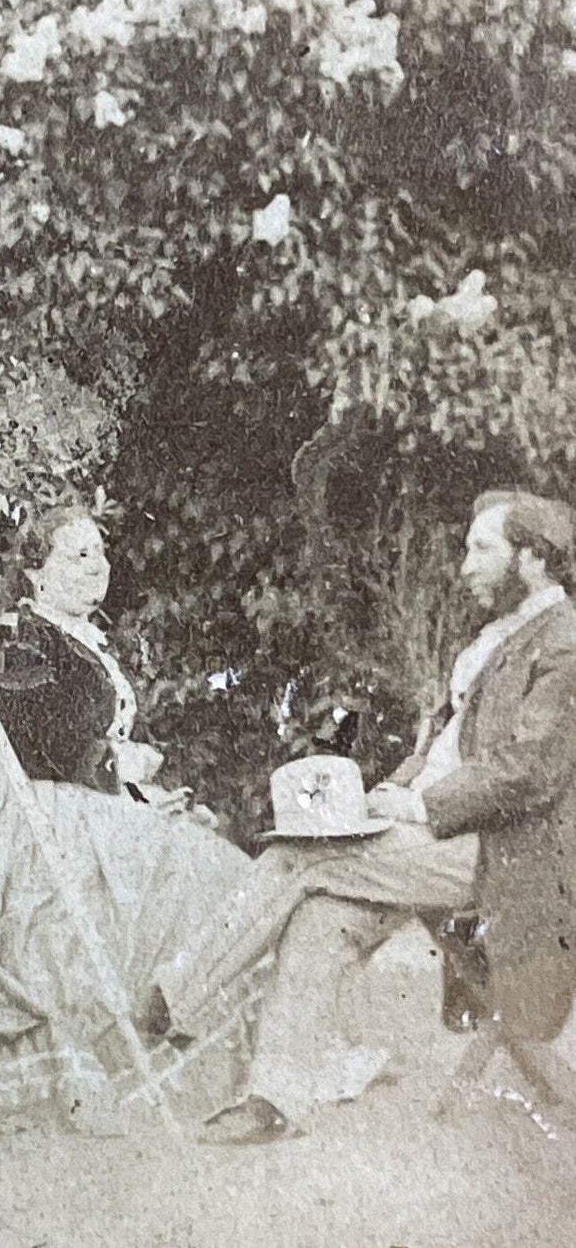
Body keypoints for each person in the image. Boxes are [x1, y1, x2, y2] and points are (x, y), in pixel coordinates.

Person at [163, 489, 576, 1144]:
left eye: (480, 549)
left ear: (531, 558)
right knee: (320, 911)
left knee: (302, 853)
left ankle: (167, 1003)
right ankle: (274, 1098)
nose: (463, 564)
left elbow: (530, 771)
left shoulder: (564, 641)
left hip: (505, 856)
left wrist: (416, 806)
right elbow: (438, 750)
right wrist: (386, 795)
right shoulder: (496, 637)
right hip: (437, 835)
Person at [0, 505, 253, 1131]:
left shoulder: (83, 638)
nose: (97, 566)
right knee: (198, 871)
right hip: (40, 809)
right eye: (77, 555)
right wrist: (113, 764)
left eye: (100, 553)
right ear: (35, 571)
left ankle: (182, 1026)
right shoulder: (27, 639)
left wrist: (137, 784)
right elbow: (28, 740)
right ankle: (135, 1042)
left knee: (210, 861)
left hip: (91, 804)